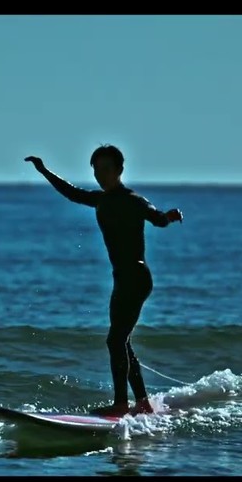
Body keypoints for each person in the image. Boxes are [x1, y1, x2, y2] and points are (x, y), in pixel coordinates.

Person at [24, 145, 183, 417]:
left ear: (120, 170)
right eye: (96, 170)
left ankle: (122, 404)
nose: (100, 175)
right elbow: (72, 193)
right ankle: (142, 404)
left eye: (106, 169)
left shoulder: (134, 200)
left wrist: (169, 215)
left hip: (136, 277)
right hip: (121, 280)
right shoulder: (100, 199)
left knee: (115, 341)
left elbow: (157, 219)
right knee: (122, 342)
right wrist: (44, 171)